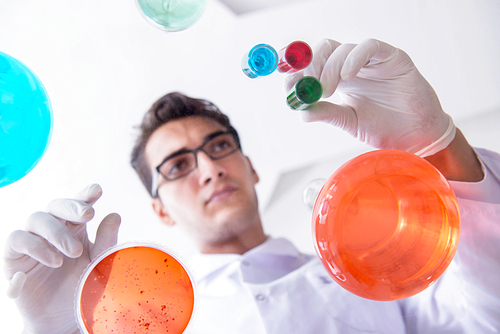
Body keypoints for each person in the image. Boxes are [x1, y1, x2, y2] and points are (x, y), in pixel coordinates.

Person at [4, 38, 500, 333]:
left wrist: (437, 145)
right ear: (160, 211)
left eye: (219, 147)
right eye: (177, 166)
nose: (209, 169)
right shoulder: (146, 323)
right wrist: (64, 328)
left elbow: (485, 318)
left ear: (252, 167)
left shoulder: (382, 281)